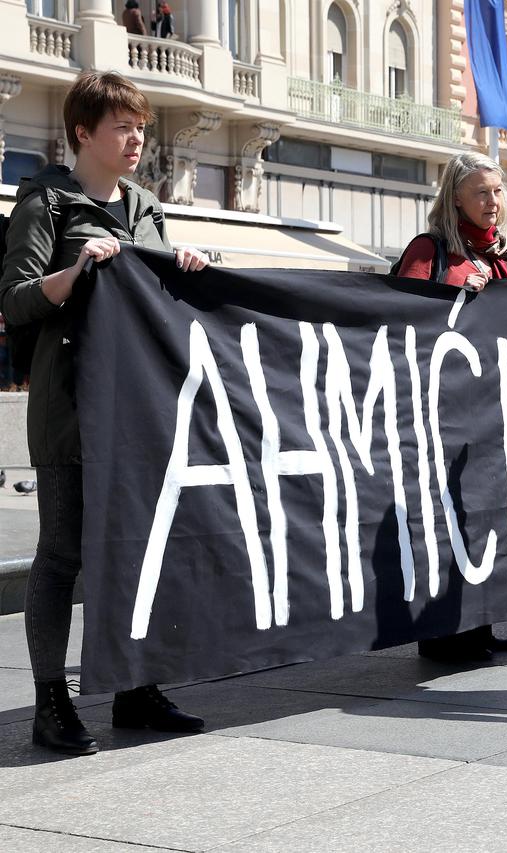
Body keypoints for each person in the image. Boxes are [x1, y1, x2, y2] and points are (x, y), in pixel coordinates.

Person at [0, 72, 210, 756]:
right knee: (61, 552)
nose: (136, 139)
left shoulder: (147, 205)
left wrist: (184, 267)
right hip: (69, 405)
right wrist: (77, 268)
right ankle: (50, 701)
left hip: (139, 405)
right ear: (83, 133)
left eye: (140, 127)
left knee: (137, 548)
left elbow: (159, 298)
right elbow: (17, 301)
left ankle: (134, 686)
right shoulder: (47, 204)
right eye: (122, 126)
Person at [394, 152, 507, 662]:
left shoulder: (502, 255)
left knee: (484, 513)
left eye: (497, 191)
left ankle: (479, 622)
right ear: (455, 199)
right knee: (441, 517)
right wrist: (457, 296)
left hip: (491, 405)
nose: (493, 202)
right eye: (481, 193)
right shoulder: (431, 249)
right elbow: (400, 311)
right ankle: (441, 633)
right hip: (439, 407)